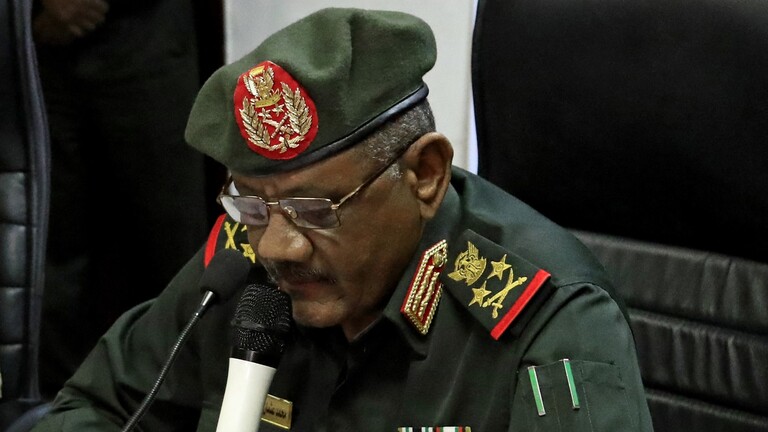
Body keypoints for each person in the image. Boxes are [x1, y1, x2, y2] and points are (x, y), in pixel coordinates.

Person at [31, 7, 654, 432]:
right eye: (253, 204)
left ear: (425, 175)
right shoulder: (241, 269)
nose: (279, 246)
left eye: (315, 210)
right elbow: (95, 407)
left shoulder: (545, 320)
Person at [32, 0, 211, 398]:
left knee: (171, 243)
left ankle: (180, 397)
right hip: (38, 43)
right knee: (49, 250)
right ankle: (60, 405)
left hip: (145, 32)